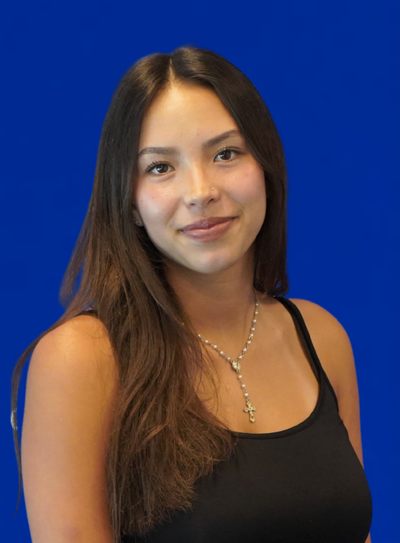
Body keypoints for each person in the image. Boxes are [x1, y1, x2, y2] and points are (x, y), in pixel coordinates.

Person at [12, 46, 372, 543]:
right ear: (129, 201)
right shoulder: (82, 359)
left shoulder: (320, 336)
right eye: (161, 167)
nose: (200, 191)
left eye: (226, 154)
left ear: (266, 169)